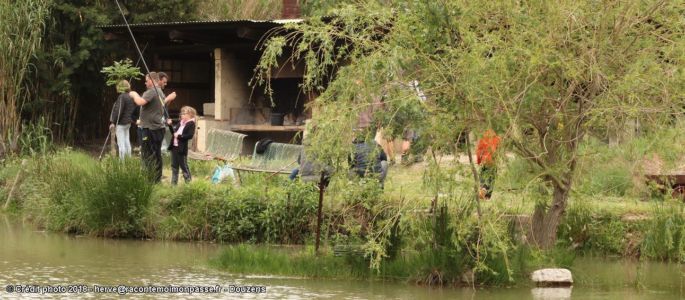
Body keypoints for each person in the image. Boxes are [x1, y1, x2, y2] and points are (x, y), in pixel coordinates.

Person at [129, 72, 166, 183]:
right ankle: (156, 179)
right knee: (156, 154)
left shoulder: (152, 91)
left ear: (151, 80)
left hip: (150, 129)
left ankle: (149, 179)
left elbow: (140, 102)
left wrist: (134, 94)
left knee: (147, 154)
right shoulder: (160, 92)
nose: (145, 83)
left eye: (146, 80)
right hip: (157, 128)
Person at [168, 106, 196, 185]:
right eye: (181, 113)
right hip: (174, 147)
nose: (182, 115)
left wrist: (179, 136)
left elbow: (189, 135)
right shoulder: (180, 123)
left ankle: (188, 184)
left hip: (181, 149)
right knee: (174, 166)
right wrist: (170, 125)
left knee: (184, 167)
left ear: (190, 114)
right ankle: (173, 185)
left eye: (184, 113)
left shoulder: (191, 123)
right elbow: (174, 133)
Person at [109, 80, 136, 160]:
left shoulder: (122, 97)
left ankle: (122, 164)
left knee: (121, 144)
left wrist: (113, 122)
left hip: (121, 123)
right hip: (128, 123)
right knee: (127, 142)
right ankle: (128, 161)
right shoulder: (130, 96)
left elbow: (118, 111)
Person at [476, 129, 501, 200]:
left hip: (484, 161)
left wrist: (479, 161)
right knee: (491, 178)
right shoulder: (497, 139)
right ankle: (487, 195)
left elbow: (478, 151)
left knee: (482, 176)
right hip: (492, 162)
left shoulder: (482, 139)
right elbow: (499, 151)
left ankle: (482, 188)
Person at [158, 72, 177, 152]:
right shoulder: (156, 91)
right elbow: (158, 106)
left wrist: (170, 99)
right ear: (159, 80)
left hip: (163, 120)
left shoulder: (160, 91)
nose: (165, 84)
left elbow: (164, 105)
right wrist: (169, 97)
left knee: (164, 142)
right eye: (164, 82)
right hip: (158, 121)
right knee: (161, 143)